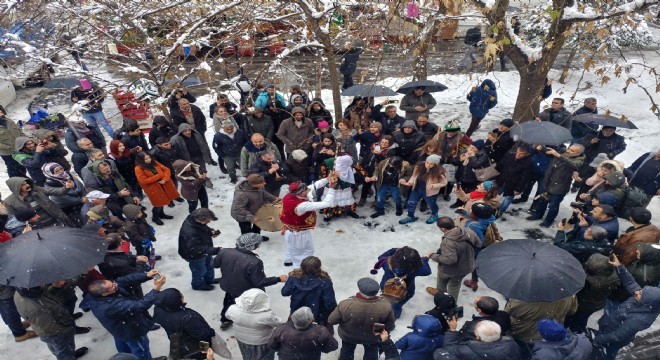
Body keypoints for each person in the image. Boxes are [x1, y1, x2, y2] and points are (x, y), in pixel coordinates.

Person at [81, 271, 166, 360]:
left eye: (112, 282)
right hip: (131, 330)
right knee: (141, 350)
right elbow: (140, 305)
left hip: (118, 329)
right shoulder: (108, 307)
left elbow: (125, 280)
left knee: (123, 347)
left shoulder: (99, 293)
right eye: (112, 286)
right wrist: (156, 289)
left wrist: (146, 275)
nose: (115, 284)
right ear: (105, 294)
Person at [213, 233, 288, 330]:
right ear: (252, 246)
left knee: (228, 302)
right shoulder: (254, 262)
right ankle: (247, 325)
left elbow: (214, 264)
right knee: (250, 309)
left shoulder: (225, 252)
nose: (259, 245)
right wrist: (278, 279)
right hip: (246, 292)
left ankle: (225, 319)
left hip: (229, 286)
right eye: (258, 244)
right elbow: (260, 282)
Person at [593, 254, 660, 360]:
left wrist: (598, 340)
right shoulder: (642, 299)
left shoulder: (640, 320)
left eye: (641, 294)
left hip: (612, 340)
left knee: (607, 355)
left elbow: (617, 336)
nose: (637, 292)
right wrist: (619, 266)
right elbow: (630, 282)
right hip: (607, 328)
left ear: (647, 302)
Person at [328, 278, 396, 360]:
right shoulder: (386, 306)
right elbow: (390, 327)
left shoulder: (345, 304)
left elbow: (332, 320)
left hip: (349, 336)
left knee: (347, 353)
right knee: (371, 354)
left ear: (360, 290)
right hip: (373, 338)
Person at [14, 286, 88, 360]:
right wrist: (69, 329)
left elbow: (46, 297)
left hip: (51, 325)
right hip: (56, 333)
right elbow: (50, 329)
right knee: (62, 352)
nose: (42, 284)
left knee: (60, 348)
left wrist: (54, 287)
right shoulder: (36, 309)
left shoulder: (23, 292)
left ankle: (71, 354)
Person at [279, 178, 337, 267]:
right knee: (305, 252)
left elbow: (315, 185)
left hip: (289, 230)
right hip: (299, 234)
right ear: (301, 192)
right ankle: (299, 270)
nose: (308, 190)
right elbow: (326, 203)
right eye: (306, 189)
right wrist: (332, 188)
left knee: (292, 248)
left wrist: (328, 178)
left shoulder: (289, 195)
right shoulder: (302, 205)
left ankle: (288, 260)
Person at [527, 144, 585, 227]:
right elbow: (549, 152)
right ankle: (538, 215)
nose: (568, 150)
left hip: (560, 187)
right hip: (548, 183)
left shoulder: (579, 161)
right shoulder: (562, 152)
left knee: (553, 205)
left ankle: (548, 221)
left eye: (572, 150)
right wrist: (542, 148)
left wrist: (558, 155)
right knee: (542, 201)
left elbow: (573, 164)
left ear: (578, 153)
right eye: (569, 148)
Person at [426, 217, 479, 302]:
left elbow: (450, 260)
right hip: (466, 266)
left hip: (448, 270)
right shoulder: (468, 232)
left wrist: (432, 256)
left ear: (443, 228)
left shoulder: (448, 242)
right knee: (455, 285)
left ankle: (440, 296)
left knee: (442, 282)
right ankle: (451, 303)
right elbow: (478, 244)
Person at [504, 295, 577, 357]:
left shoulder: (523, 299)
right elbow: (572, 311)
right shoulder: (567, 295)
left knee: (524, 353)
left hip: (526, 334)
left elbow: (507, 312)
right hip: (552, 332)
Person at [153, 288, 216, 360]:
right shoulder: (188, 318)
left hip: (176, 339)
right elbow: (203, 336)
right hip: (192, 345)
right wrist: (207, 352)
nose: (182, 296)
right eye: (180, 296)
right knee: (201, 353)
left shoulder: (159, 310)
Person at [564, 254, 619, 334]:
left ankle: (573, 331)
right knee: (583, 318)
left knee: (574, 320)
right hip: (597, 303)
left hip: (582, 305)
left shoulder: (588, 281)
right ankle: (580, 329)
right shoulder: (614, 275)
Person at [281, 256, 337, 330]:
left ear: (302, 267)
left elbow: (285, 292)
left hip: (298, 312)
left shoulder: (294, 278)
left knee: (296, 334)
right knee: (321, 337)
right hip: (318, 315)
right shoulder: (325, 281)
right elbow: (330, 303)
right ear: (319, 268)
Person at [375, 246, 432, 319]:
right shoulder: (416, 269)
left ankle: (385, 311)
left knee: (387, 299)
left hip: (387, 287)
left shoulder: (387, 264)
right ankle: (394, 315)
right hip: (406, 291)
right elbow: (427, 271)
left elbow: (381, 257)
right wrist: (425, 258)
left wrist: (395, 250)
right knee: (397, 305)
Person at [226, 288, 281, 360]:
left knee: (247, 354)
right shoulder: (266, 316)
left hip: (241, 339)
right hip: (261, 342)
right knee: (264, 356)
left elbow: (228, 316)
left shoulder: (232, 309)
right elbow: (277, 323)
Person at [268, 306, 338, 360]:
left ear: (293, 318)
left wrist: (282, 350)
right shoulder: (320, 330)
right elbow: (333, 345)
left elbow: (271, 345)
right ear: (311, 320)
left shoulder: (281, 329)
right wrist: (321, 349)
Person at [3, 177, 76, 228]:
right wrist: (28, 221)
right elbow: (14, 220)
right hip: (38, 228)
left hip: (56, 219)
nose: (27, 185)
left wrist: (66, 187)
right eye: (23, 185)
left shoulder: (37, 190)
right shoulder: (9, 202)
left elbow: (55, 191)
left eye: (26, 183)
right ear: (17, 188)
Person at [178, 208, 221, 291]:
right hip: (194, 254)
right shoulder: (190, 231)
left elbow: (202, 227)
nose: (209, 222)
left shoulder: (194, 221)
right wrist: (216, 250)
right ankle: (198, 285)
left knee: (209, 264)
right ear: (198, 219)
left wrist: (210, 231)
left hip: (205, 250)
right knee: (199, 270)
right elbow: (195, 248)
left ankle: (209, 279)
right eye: (207, 221)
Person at [435, 320, 522, 360]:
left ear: (478, 337)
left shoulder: (468, 350)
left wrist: (452, 331)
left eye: (475, 330)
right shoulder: (511, 343)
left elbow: (449, 348)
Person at [399, 154, 448, 224]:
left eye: (431, 164)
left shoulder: (439, 172)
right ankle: (410, 216)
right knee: (411, 203)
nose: (428, 165)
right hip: (417, 189)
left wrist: (433, 185)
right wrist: (409, 182)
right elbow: (414, 176)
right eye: (427, 162)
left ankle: (434, 214)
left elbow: (444, 183)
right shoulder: (418, 167)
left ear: (435, 165)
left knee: (432, 204)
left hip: (430, 192)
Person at [133, 152, 179, 225]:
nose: (149, 160)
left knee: (164, 200)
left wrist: (165, 179)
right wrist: (158, 176)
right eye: (146, 159)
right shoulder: (138, 168)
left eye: (149, 158)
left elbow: (166, 170)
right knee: (158, 203)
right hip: (153, 188)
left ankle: (162, 214)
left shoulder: (154, 162)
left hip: (163, 184)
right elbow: (143, 181)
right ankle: (155, 217)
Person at [230, 174, 278, 238]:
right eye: (262, 183)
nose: (265, 183)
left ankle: (256, 238)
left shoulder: (259, 187)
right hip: (243, 215)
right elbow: (238, 209)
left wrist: (274, 198)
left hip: (256, 211)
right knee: (246, 232)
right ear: (254, 185)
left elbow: (263, 193)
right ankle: (248, 242)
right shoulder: (242, 194)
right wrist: (251, 217)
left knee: (257, 226)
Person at [496, 144, 532, 214]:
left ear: (526, 154)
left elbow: (524, 178)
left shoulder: (527, 163)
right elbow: (501, 167)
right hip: (502, 180)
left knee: (508, 199)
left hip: (513, 184)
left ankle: (500, 212)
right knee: (494, 195)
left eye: (521, 154)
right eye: (518, 152)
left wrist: (519, 189)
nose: (518, 154)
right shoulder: (509, 156)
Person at [0, 104, 27, 178]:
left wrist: (24, 139)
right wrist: (8, 147)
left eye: (1, 111)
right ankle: (16, 183)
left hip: (19, 148)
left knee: (22, 166)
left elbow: (19, 131)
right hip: (7, 152)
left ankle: (23, 180)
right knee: (12, 168)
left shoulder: (9, 121)